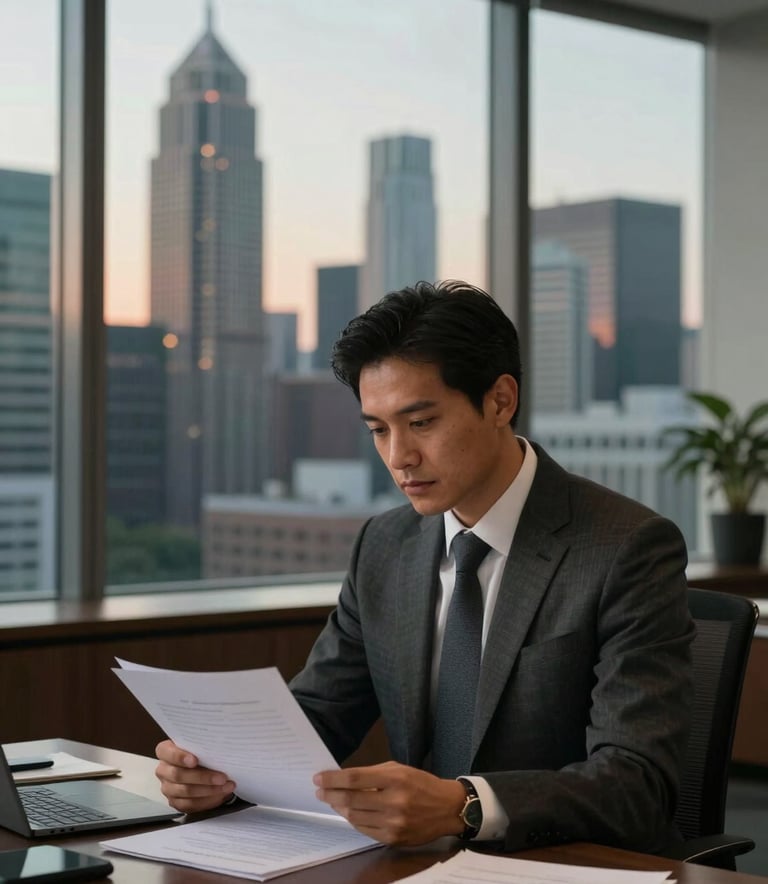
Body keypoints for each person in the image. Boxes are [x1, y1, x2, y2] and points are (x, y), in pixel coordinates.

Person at [155, 279, 694, 853]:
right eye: (379, 430)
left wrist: (465, 806)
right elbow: (320, 715)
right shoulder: (385, 545)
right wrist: (218, 772)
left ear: (500, 401)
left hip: (563, 865)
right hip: (419, 867)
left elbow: (638, 782)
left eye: (421, 423)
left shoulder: (626, 548)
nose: (398, 457)